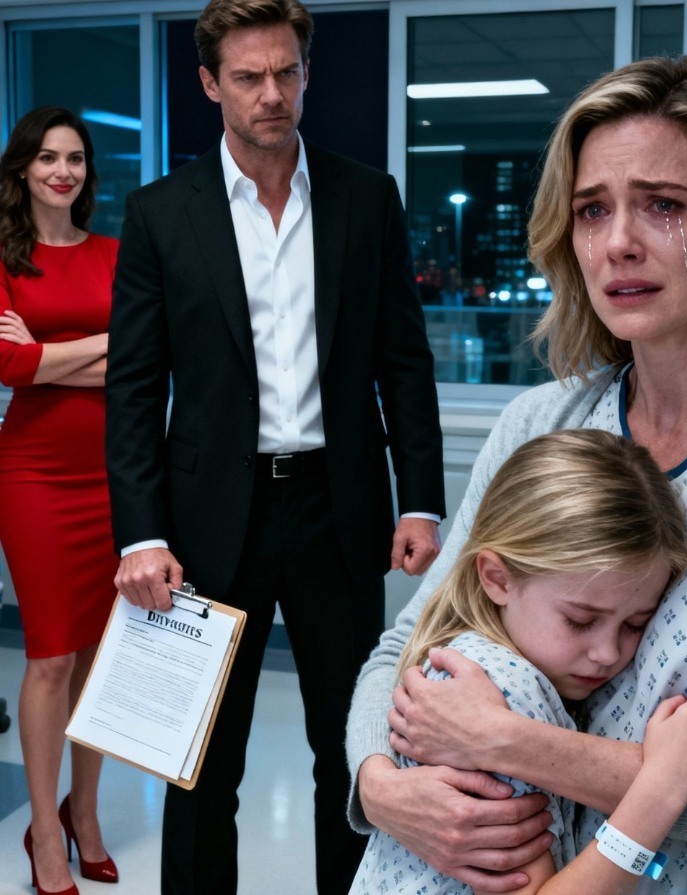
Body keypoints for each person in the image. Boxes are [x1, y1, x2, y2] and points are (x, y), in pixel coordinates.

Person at [346, 54, 687, 895]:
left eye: (664, 205)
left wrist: (502, 741)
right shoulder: (539, 423)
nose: (618, 243)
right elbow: (406, 646)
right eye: (592, 210)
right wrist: (380, 786)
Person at [104, 1, 445, 893]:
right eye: (249, 76)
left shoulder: (364, 198)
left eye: (287, 72)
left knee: (354, 755)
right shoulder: (160, 215)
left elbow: (404, 362)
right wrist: (141, 533)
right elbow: (133, 389)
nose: (272, 94)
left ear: (306, 74)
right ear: (209, 83)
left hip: (339, 510)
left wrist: (420, 499)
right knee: (202, 764)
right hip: (208, 522)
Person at [351, 428, 687, 895]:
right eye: (580, 620)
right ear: (497, 578)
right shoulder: (496, 691)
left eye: (635, 624)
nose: (608, 653)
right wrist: (662, 788)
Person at [0, 106, 119, 895]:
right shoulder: (3, 260)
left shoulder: (116, 254)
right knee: (50, 657)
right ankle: (45, 829)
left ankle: (87, 812)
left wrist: (46, 353)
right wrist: (101, 347)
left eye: (75, 158)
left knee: (100, 657)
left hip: (115, 475)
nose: (62, 171)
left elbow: (147, 356)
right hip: (35, 475)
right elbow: (8, 368)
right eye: (48, 157)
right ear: (23, 168)